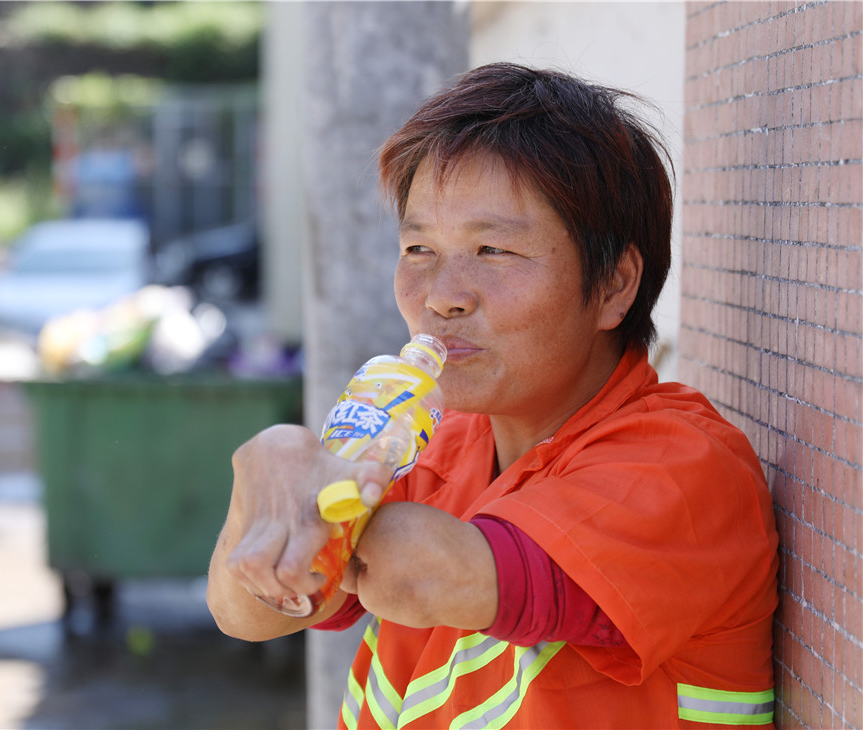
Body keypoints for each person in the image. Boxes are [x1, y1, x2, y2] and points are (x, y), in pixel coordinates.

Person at [207, 63, 779, 729]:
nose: (441, 296)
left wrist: (306, 512)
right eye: (418, 248)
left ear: (615, 285)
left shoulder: (680, 467)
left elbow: (416, 572)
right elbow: (244, 613)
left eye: (492, 249)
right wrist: (267, 476)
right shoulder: (438, 443)